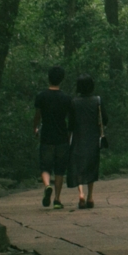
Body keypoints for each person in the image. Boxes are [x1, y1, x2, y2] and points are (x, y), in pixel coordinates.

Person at [31, 66, 72, 208]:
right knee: (60, 170)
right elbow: (70, 120)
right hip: (62, 137)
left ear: (49, 78)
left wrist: (35, 128)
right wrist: (70, 134)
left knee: (45, 167)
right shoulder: (67, 98)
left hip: (47, 137)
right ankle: (57, 199)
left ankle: (47, 185)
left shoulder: (41, 96)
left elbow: (37, 116)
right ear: (61, 79)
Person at [67, 76, 106, 210]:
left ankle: (81, 195)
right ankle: (90, 196)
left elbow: (70, 124)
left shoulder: (74, 102)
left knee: (78, 166)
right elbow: (105, 119)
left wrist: (68, 139)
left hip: (78, 138)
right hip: (93, 138)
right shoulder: (97, 101)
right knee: (91, 166)